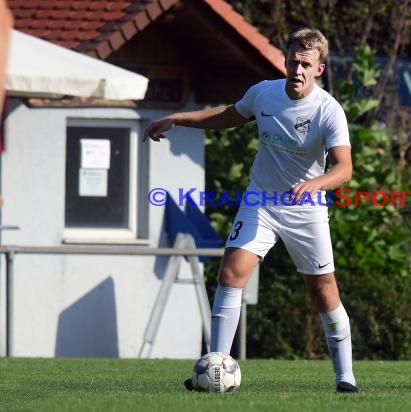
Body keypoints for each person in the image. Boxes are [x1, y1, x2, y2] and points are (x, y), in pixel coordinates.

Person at [143, 28, 357, 393]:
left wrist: (315, 184)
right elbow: (228, 115)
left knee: (323, 292)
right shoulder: (264, 93)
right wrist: (179, 118)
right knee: (230, 274)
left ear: (319, 69)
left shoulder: (328, 111)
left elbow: (344, 169)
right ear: (285, 61)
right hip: (261, 201)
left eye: (306, 64)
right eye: (293, 61)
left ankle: (345, 377)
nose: (297, 70)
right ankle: (215, 367)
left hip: (306, 210)